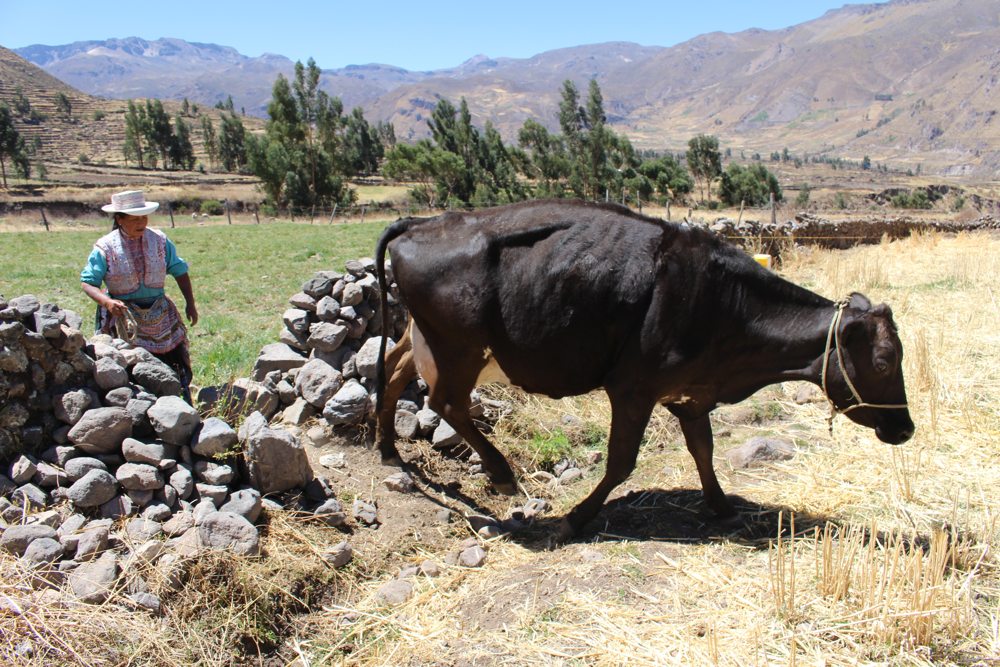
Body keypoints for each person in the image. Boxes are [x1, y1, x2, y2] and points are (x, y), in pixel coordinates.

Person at [81, 189, 198, 402]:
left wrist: (190, 303)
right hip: (124, 318)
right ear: (119, 219)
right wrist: (107, 302)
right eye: (134, 219)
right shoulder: (105, 247)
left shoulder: (160, 241)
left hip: (161, 315)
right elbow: (88, 283)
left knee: (173, 364)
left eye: (143, 217)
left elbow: (179, 270)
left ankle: (182, 407)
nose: (141, 223)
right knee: (131, 368)